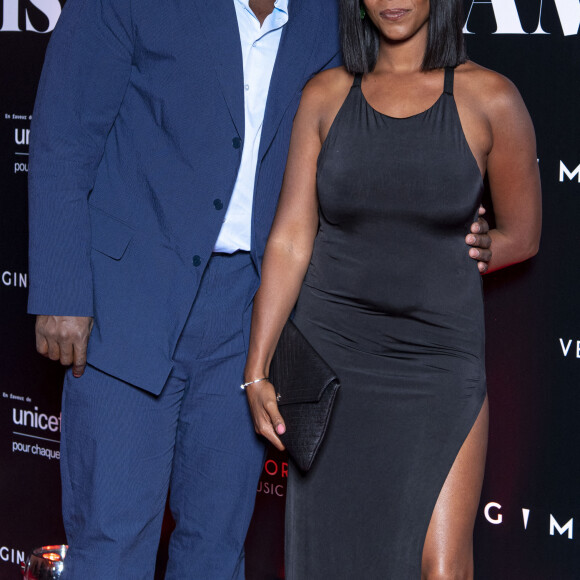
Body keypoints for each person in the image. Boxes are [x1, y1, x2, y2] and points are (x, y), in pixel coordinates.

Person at [28, 0, 491, 578]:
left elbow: (384, 111)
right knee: (111, 541)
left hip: (250, 318)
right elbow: (63, 138)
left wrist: (444, 213)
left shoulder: (331, 16)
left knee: (217, 545)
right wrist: (62, 289)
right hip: (127, 299)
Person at [243, 0, 542, 578]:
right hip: (333, 363)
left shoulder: (491, 98)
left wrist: (489, 244)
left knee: (443, 568)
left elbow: (524, 235)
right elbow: (289, 240)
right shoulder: (324, 96)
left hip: (439, 365)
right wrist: (257, 367)